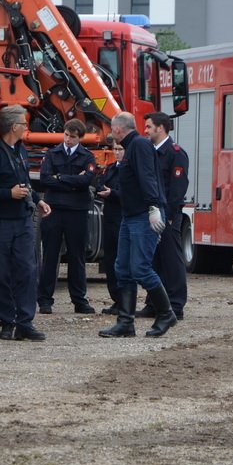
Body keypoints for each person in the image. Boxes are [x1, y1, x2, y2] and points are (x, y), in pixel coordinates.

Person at [0, 106, 52, 341]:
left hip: (23, 221)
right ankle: (7, 322)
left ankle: (25, 322)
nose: (26, 128)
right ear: (14, 127)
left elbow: (24, 181)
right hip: (0, 223)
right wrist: (7, 194)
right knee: (2, 273)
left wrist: (37, 200)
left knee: (27, 271)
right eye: (24, 124)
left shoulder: (21, 151)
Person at [99, 111, 176, 338]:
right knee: (122, 268)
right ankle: (126, 322)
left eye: (112, 129)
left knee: (140, 268)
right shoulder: (132, 147)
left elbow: (148, 176)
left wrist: (154, 207)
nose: (111, 133)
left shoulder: (139, 146)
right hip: (130, 216)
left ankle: (166, 313)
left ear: (118, 130)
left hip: (144, 214)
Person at [37, 119, 97, 314]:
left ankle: (79, 300)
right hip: (54, 210)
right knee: (50, 256)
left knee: (76, 257)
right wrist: (73, 182)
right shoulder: (52, 154)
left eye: (73, 136)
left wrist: (61, 178)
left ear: (80, 137)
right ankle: (45, 300)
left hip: (77, 212)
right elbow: (46, 179)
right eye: (66, 135)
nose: (68, 139)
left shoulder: (87, 156)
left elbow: (87, 180)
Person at [141, 111, 188, 326]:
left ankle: (176, 305)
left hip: (167, 215)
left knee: (171, 260)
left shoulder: (175, 153)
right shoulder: (150, 152)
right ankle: (155, 303)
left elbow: (177, 189)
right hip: (152, 214)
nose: (146, 130)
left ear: (160, 128)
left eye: (149, 127)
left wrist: (168, 216)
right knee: (154, 260)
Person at [96, 142, 125, 315]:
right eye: (115, 149)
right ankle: (116, 298)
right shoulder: (111, 168)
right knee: (110, 260)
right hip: (109, 218)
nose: (118, 152)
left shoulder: (129, 170)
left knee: (122, 262)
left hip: (122, 218)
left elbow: (130, 194)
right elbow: (100, 183)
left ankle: (124, 300)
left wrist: (112, 193)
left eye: (121, 149)